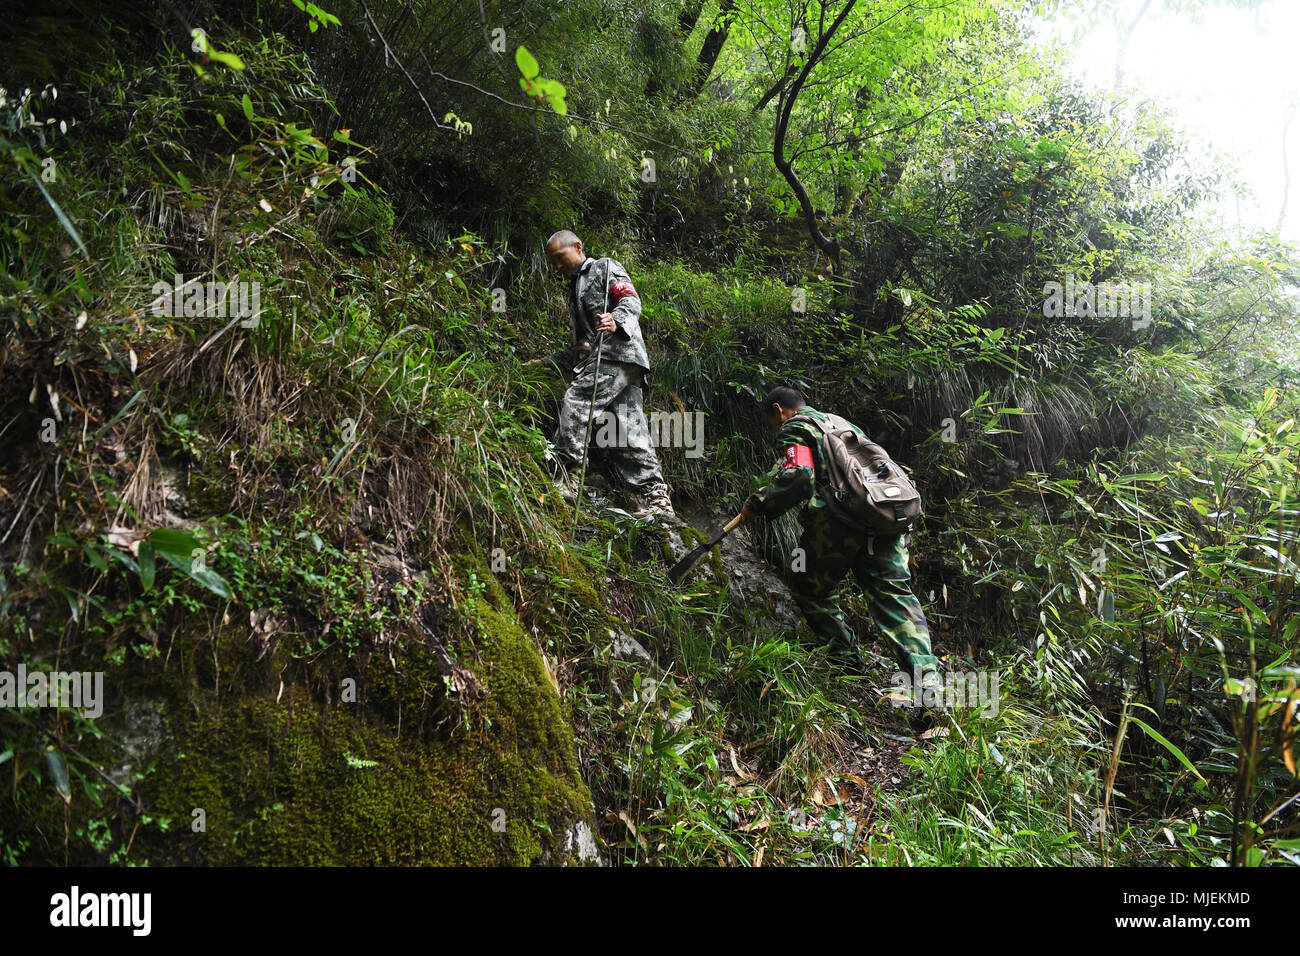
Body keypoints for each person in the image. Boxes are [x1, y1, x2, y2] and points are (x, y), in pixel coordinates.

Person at [739, 386, 940, 682]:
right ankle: (929, 690)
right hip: (884, 518)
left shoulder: (795, 427)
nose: (773, 429)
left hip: (840, 523)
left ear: (778, 410)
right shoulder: (842, 424)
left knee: (809, 587)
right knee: (896, 599)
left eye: (772, 422)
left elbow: (798, 477)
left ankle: (848, 666)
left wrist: (758, 505)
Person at [538, 230, 676, 522]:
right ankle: (657, 499)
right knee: (627, 430)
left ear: (577, 246)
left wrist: (617, 319)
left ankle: (566, 473)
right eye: (554, 263)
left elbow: (629, 298)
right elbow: (582, 346)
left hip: (617, 353)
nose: (559, 267)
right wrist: (547, 363)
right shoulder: (575, 288)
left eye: (561, 258)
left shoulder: (604, 267)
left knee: (578, 399)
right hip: (615, 360)